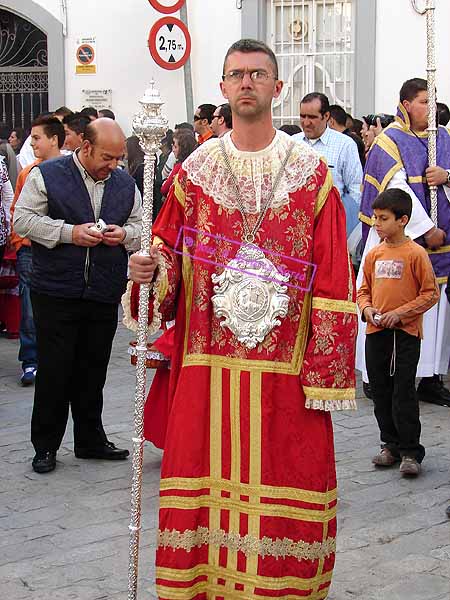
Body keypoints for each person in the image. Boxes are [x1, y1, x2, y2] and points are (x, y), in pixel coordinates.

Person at [128, 38, 357, 599]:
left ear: (277, 88)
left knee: (287, 489)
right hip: (208, 369)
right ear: (224, 88)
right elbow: (166, 263)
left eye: (258, 74)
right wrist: (148, 268)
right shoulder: (194, 173)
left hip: (284, 374)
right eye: (237, 75)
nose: (247, 82)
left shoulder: (312, 175)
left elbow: (332, 278)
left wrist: (324, 375)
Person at [13, 118, 142, 474]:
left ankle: (90, 439)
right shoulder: (47, 174)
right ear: (85, 146)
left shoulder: (125, 183)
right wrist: (70, 233)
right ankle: (45, 445)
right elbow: (22, 221)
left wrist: (124, 235)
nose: (113, 165)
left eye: (118, 158)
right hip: (55, 289)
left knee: (93, 368)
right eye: (107, 157)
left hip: (102, 289)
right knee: (55, 370)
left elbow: (140, 227)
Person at [357, 78, 450, 406]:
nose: (432, 108)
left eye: (434, 101)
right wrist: (425, 230)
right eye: (425, 101)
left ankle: (429, 375)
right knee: (385, 301)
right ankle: (374, 375)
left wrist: (446, 177)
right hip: (396, 236)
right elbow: (399, 192)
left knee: (434, 306)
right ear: (406, 104)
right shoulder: (389, 140)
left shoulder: (442, 138)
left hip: (441, 241)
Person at [357, 189, 439, 476]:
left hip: (404, 334)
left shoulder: (415, 253)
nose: (377, 224)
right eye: (376, 218)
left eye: (383, 218)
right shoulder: (374, 254)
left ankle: (410, 451)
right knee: (380, 389)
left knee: (403, 390)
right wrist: (367, 310)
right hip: (376, 331)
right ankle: (389, 444)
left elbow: (430, 294)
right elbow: (363, 291)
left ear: (403, 220)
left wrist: (400, 313)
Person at [10, 116, 65, 386]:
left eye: (36, 138)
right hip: (31, 251)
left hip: (60, 251)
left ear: (54, 139)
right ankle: (30, 360)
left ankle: (56, 360)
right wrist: (21, 243)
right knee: (29, 308)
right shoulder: (27, 172)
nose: (31, 143)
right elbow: (17, 212)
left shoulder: (71, 172)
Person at [293, 92, 363, 256]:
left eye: (312, 117)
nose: (306, 122)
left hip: (332, 226)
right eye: (302, 116)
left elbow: (355, 189)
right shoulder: (292, 144)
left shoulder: (345, 145)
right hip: (298, 226)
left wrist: (346, 227)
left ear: (326, 116)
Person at [160, 129, 197, 197]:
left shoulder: (180, 166)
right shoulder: (197, 164)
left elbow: (164, 189)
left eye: (175, 147)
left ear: (183, 149)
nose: (173, 150)